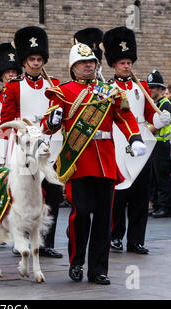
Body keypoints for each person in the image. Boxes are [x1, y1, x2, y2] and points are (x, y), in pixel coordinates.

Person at [41, 43, 146, 285]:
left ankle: (98, 268)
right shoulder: (63, 91)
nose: (88, 66)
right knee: (81, 214)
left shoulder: (109, 90)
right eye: (83, 63)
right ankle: (76, 261)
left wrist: (134, 137)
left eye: (91, 62)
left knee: (103, 218)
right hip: (79, 160)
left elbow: (124, 116)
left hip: (106, 161)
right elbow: (48, 126)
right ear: (73, 67)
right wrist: (53, 120)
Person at [102, 27, 171, 254]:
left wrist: (159, 119)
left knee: (141, 196)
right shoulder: (107, 88)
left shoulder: (141, 86)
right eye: (122, 63)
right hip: (119, 143)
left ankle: (136, 240)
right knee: (119, 195)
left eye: (129, 62)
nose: (126, 66)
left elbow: (148, 112)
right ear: (114, 65)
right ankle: (115, 236)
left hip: (143, 143)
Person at [0, 26, 62, 258]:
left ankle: (46, 242)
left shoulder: (54, 84)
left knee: (51, 194)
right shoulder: (14, 86)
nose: (35, 63)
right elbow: (6, 121)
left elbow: (59, 114)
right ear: (24, 62)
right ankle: (20, 239)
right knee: (23, 196)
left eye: (39, 59)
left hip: (49, 145)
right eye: (32, 59)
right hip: (24, 147)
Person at [147, 70, 171, 218]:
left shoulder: (165, 104)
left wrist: (144, 133)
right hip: (153, 144)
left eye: (152, 87)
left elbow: (158, 125)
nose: (150, 90)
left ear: (159, 88)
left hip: (161, 144)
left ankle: (165, 207)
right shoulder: (153, 104)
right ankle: (157, 205)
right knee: (154, 178)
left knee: (162, 177)